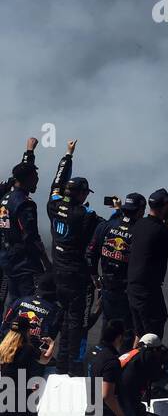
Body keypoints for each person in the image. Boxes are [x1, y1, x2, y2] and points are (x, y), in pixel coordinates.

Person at [46, 138, 100, 375]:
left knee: (63, 314)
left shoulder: (53, 204)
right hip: (75, 274)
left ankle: (59, 361)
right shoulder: (84, 215)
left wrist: (68, 155)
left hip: (57, 271)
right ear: (80, 194)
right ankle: (71, 365)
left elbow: (56, 182)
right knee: (76, 320)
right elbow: (104, 228)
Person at [1, 146, 50, 317]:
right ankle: (17, 339)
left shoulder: (5, 197)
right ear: (27, 179)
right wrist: (45, 262)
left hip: (7, 256)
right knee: (27, 303)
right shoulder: (24, 203)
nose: (37, 180)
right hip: (22, 261)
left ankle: (6, 336)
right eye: (35, 177)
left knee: (11, 301)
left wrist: (29, 152)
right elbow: (31, 237)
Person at [87, 193, 143, 340]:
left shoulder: (105, 226)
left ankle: (102, 357)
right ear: (140, 211)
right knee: (128, 331)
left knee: (108, 327)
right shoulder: (141, 232)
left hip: (107, 285)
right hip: (128, 290)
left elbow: (90, 254)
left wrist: (94, 275)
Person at [126, 188, 168, 342]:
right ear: (165, 206)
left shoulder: (139, 224)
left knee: (139, 333)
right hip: (148, 292)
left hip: (132, 288)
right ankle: (146, 364)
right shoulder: (163, 232)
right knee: (152, 337)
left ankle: (130, 363)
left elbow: (155, 235)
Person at [0, 319, 55, 416]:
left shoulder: (3, 347)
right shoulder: (28, 348)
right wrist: (51, 345)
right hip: (23, 396)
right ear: (26, 331)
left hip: (4, 395)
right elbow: (45, 360)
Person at [85, 319, 130, 416]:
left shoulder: (92, 352)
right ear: (118, 338)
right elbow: (107, 394)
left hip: (91, 408)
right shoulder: (111, 360)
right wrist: (120, 415)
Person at [4, 273, 64, 352]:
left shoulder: (20, 300)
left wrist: (5, 338)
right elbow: (53, 334)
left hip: (9, 346)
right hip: (34, 354)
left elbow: (5, 321)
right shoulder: (56, 311)